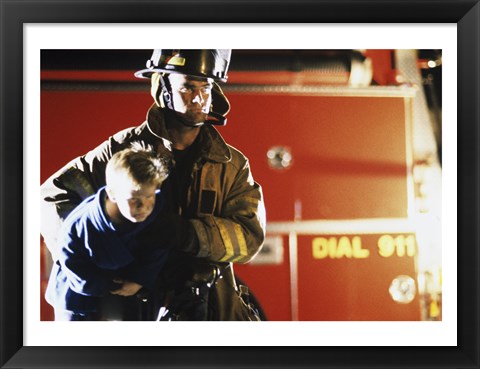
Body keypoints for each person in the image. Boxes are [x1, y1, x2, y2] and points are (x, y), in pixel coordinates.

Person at [41, 49, 266, 321]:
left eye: (206, 88)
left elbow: (249, 238)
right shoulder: (121, 151)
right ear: (164, 88)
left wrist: (187, 234)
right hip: (130, 306)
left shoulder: (231, 166)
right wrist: (92, 252)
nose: (199, 98)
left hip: (202, 307)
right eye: (187, 88)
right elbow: (50, 196)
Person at [45, 144, 171, 321]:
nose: (144, 207)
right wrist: (111, 288)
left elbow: (159, 245)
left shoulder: (156, 207)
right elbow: (74, 267)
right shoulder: (79, 225)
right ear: (112, 194)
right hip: (79, 298)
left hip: (129, 290)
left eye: (150, 196)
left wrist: (140, 279)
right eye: (134, 199)